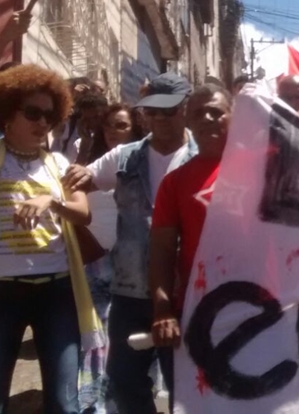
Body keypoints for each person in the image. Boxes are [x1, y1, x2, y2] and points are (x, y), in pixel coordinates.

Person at [62, 73, 197, 414]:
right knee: (125, 383)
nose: (159, 118)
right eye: (151, 111)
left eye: (168, 111)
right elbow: (79, 180)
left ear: (185, 109)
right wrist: (77, 185)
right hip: (130, 292)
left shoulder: (204, 156)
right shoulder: (124, 157)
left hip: (188, 294)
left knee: (187, 387)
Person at [0, 64, 101, 414]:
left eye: (49, 115)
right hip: (1, 293)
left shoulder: (60, 164)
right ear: (7, 114)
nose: (43, 122)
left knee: (62, 401)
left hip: (57, 293)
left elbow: (83, 214)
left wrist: (52, 202)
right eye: (32, 113)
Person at [149, 85, 232, 353]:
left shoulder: (267, 166)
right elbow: (162, 250)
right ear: (188, 122)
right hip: (199, 311)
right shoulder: (174, 183)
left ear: (234, 116)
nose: (207, 118)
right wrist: (162, 309)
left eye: (216, 112)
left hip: (268, 308)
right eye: (198, 114)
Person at [78, 103, 142, 414]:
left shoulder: (141, 160)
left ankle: (128, 396)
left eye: (121, 125)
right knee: (95, 332)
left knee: (127, 332)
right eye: (108, 126)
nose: (113, 132)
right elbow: (69, 193)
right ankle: (94, 402)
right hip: (94, 256)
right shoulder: (85, 157)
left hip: (132, 259)